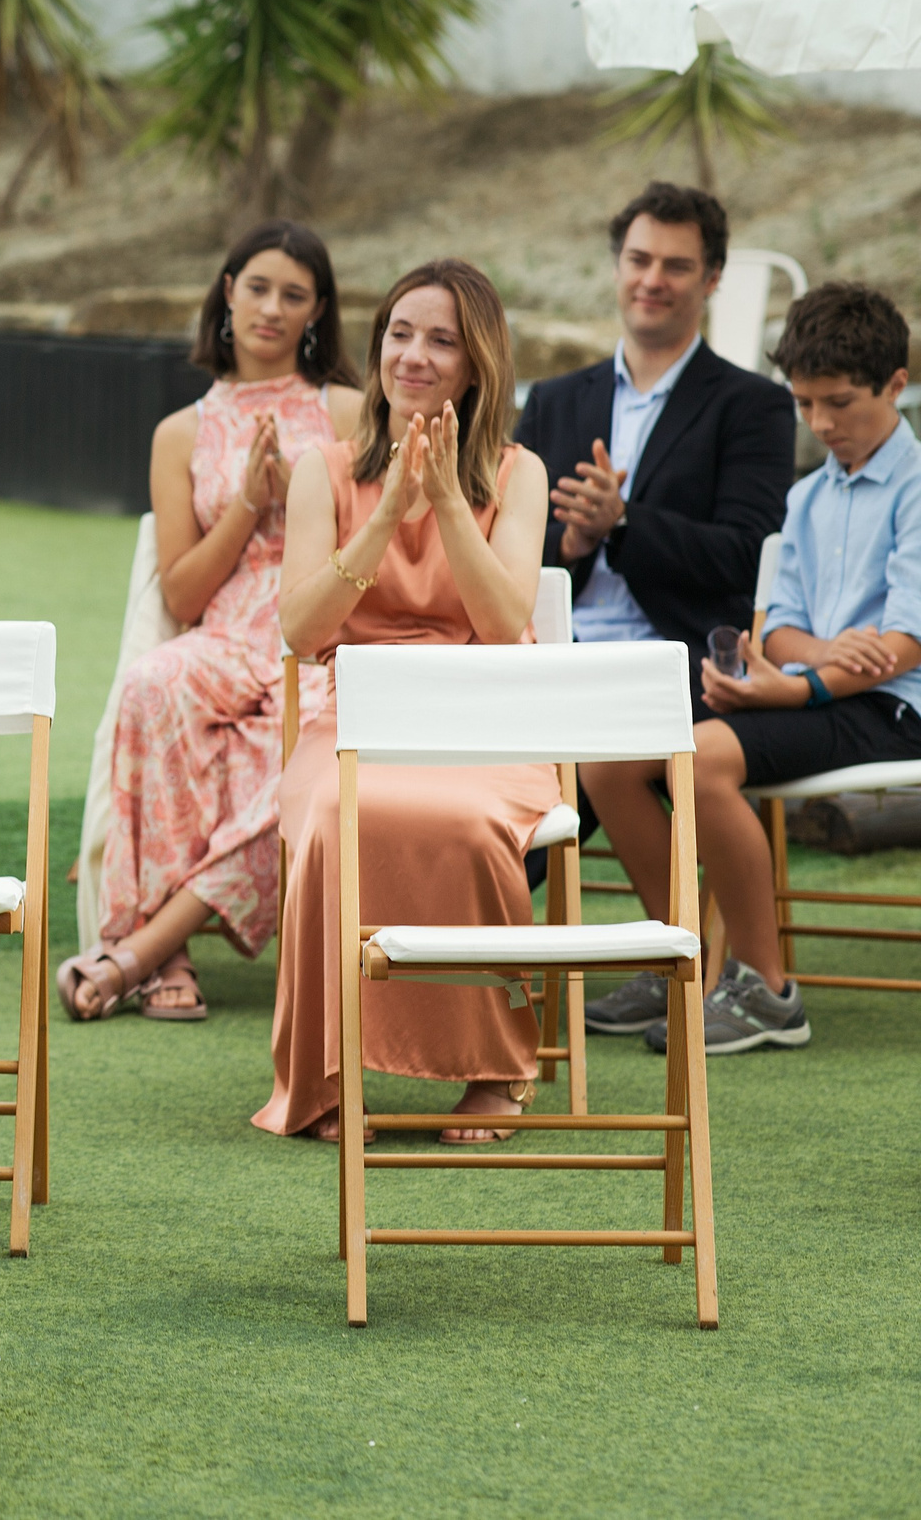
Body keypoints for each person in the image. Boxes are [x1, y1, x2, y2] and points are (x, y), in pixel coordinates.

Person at [255, 259, 558, 1145]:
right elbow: (301, 630)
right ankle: (322, 1073)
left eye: (441, 340)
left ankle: (494, 1066)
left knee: (463, 823)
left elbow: (507, 629)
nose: (414, 356)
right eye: (399, 333)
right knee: (328, 818)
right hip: (356, 713)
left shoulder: (520, 472)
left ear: (476, 365)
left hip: (486, 713)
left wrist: (446, 505)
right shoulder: (323, 470)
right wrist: (385, 512)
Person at [583, 284, 921, 1058]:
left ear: (896, 385)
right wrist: (812, 660)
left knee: (700, 759)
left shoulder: (916, 487)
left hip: (894, 707)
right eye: (805, 404)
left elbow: (903, 647)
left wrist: (797, 680)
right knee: (607, 765)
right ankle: (683, 961)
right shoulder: (806, 496)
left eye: (838, 402)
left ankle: (765, 990)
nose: (822, 423)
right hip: (821, 694)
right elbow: (787, 625)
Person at [62, 220, 362, 1022]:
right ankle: (172, 961)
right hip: (226, 635)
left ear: (318, 312)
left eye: (293, 295)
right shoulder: (181, 432)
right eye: (257, 287)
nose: (271, 307)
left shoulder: (348, 413)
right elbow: (185, 596)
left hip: (321, 637)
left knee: (310, 749)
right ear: (228, 292)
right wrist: (248, 507)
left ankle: (142, 948)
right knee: (151, 686)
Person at [514, 182, 793, 685]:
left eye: (676, 266)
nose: (652, 279)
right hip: (549, 652)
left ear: (712, 278)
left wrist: (622, 522)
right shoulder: (552, 400)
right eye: (638, 260)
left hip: (675, 661)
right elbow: (500, 541)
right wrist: (571, 542)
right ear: (617, 267)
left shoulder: (754, 406)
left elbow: (748, 557)